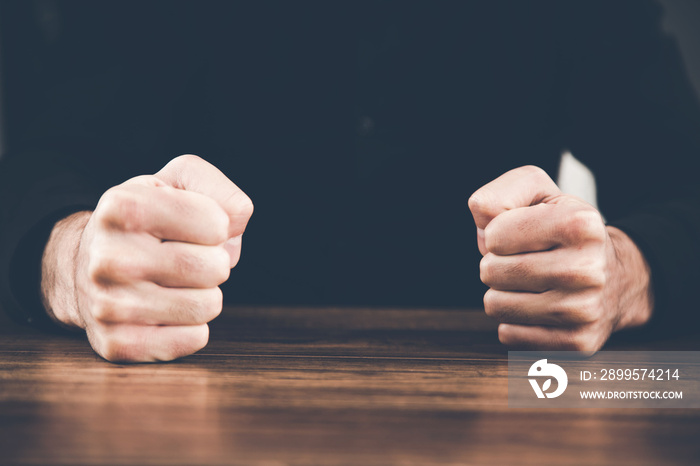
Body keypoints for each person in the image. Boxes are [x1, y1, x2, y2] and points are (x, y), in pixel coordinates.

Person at [0, 1, 698, 362]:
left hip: (507, 393)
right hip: (188, 378)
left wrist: (626, 276)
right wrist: (70, 260)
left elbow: (682, 182)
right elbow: (40, 162)